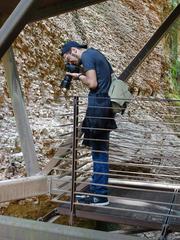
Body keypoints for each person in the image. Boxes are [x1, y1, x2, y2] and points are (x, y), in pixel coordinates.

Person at [61, 41, 117, 206]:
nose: (70, 62)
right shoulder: (96, 54)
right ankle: (96, 192)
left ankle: (100, 196)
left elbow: (93, 83)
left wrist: (78, 76)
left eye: (68, 58)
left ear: (73, 50)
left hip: (98, 109)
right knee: (99, 153)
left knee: (99, 154)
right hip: (104, 108)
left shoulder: (86, 56)